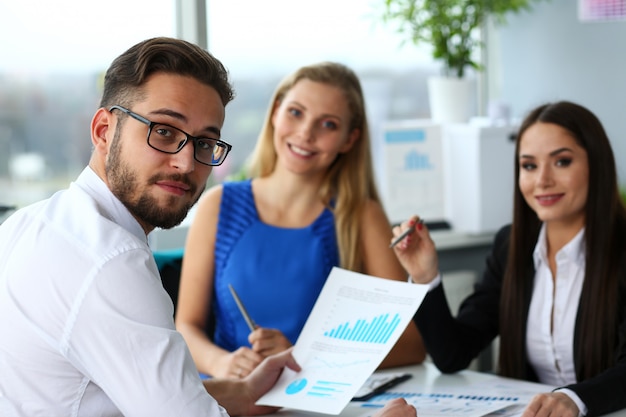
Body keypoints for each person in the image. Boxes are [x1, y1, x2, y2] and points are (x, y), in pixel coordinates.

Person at [0, 37, 413, 417]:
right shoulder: (112, 263)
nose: (186, 163)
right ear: (104, 131)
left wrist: (245, 391)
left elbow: (145, 393)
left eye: (203, 143)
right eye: (163, 131)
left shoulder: (26, 224)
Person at [175, 61, 426, 379]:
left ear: (349, 140)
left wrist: (304, 355)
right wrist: (220, 364)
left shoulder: (361, 216)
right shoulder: (217, 205)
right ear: (276, 112)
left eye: (329, 124)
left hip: (314, 401)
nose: (306, 133)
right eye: (296, 112)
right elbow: (186, 327)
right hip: (228, 399)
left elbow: (411, 345)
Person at [391, 101, 626, 417]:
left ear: (596, 165)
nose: (541, 180)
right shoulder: (510, 246)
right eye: (529, 166)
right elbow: (452, 355)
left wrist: (575, 399)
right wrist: (424, 277)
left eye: (562, 162)